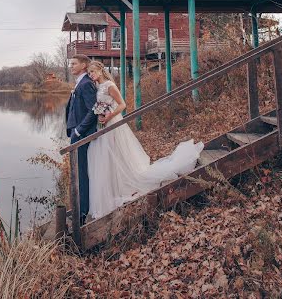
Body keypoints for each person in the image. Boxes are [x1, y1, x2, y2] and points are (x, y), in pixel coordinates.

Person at [87, 60, 204, 219]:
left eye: (93, 72)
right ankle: (115, 187)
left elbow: (122, 105)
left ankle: (125, 184)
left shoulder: (109, 85)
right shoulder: (98, 87)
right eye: (89, 73)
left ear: (100, 71)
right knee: (109, 155)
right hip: (103, 124)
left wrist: (109, 115)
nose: (91, 75)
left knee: (118, 152)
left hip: (112, 122)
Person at [65, 54, 97, 225]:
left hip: (82, 135)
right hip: (76, 134)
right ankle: (80, 208)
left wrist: (78, 130)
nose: (71, 66)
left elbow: (94, 109)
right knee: (79, 172)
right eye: (70, 63)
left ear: (84, 65)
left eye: (74, 63)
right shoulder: (80, 82)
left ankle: (83, 212)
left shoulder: (85, 84)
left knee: (82, 173)